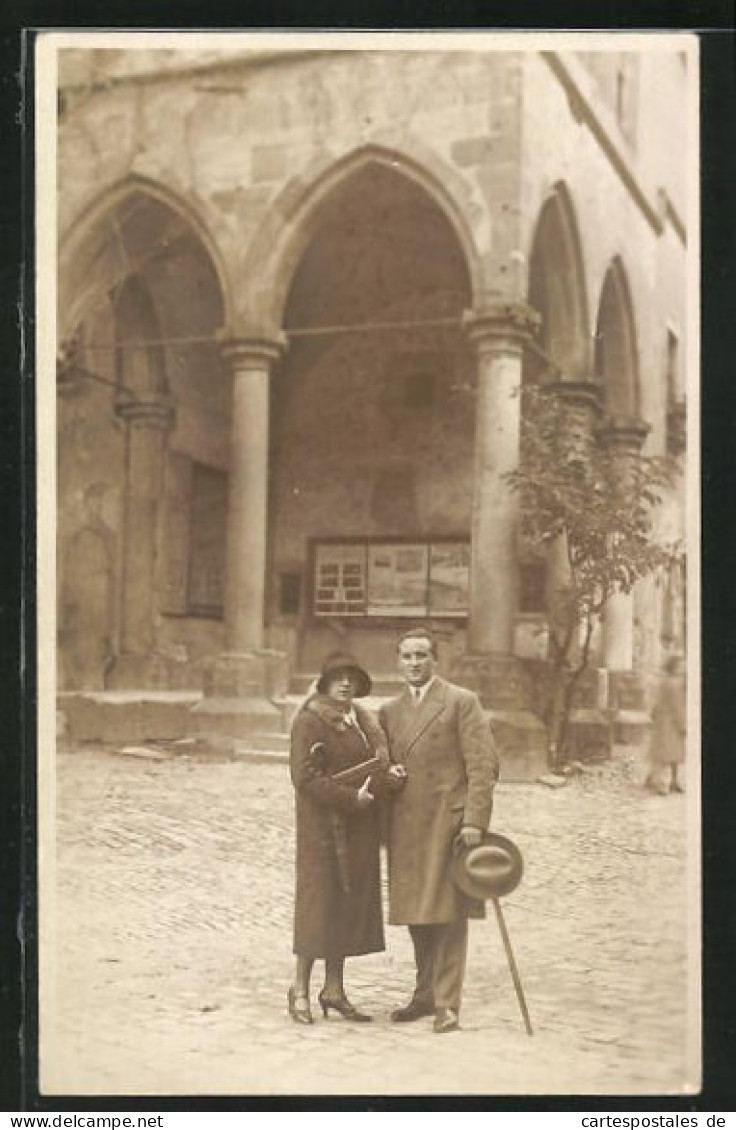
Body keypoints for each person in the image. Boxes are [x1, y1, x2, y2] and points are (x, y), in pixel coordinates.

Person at [379, 627, 498, 1033]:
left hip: (448, 824)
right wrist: (388, 774)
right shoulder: (390, 711)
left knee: (448, 914)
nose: (414, 663)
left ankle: (448, 1004)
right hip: (406, 826)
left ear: (435, 660)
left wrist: (474, 822)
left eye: (421, 656)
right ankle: (424, 993)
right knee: (417, 913)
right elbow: (384, 764)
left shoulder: (461, 702)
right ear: (399, 661)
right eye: (407, 656)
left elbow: (483, 767)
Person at [288, 650, 404, 1025]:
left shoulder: (362, 722)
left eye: (351, 678)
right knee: (316, 907)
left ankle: (333, 990)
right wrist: (350, 798)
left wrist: (389, 776)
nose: (345, 684)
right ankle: (300, 990)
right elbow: (304, 779)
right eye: (337, 677)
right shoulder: (309, 721)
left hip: (357, 828)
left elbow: (368, 771)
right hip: (321, 830)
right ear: (323, 683)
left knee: (344, 905)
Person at [646, 654, 686, 795]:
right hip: (671, 723)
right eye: (680, 665)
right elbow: (677, 706)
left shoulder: (666, 681)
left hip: (664, 721)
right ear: (673, 667)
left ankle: (668, 781)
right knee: (668, 754)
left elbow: (657, 702)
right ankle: (663, 784)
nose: (683, 667)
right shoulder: (674, 683)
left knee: (667, 753)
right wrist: (682, 725)